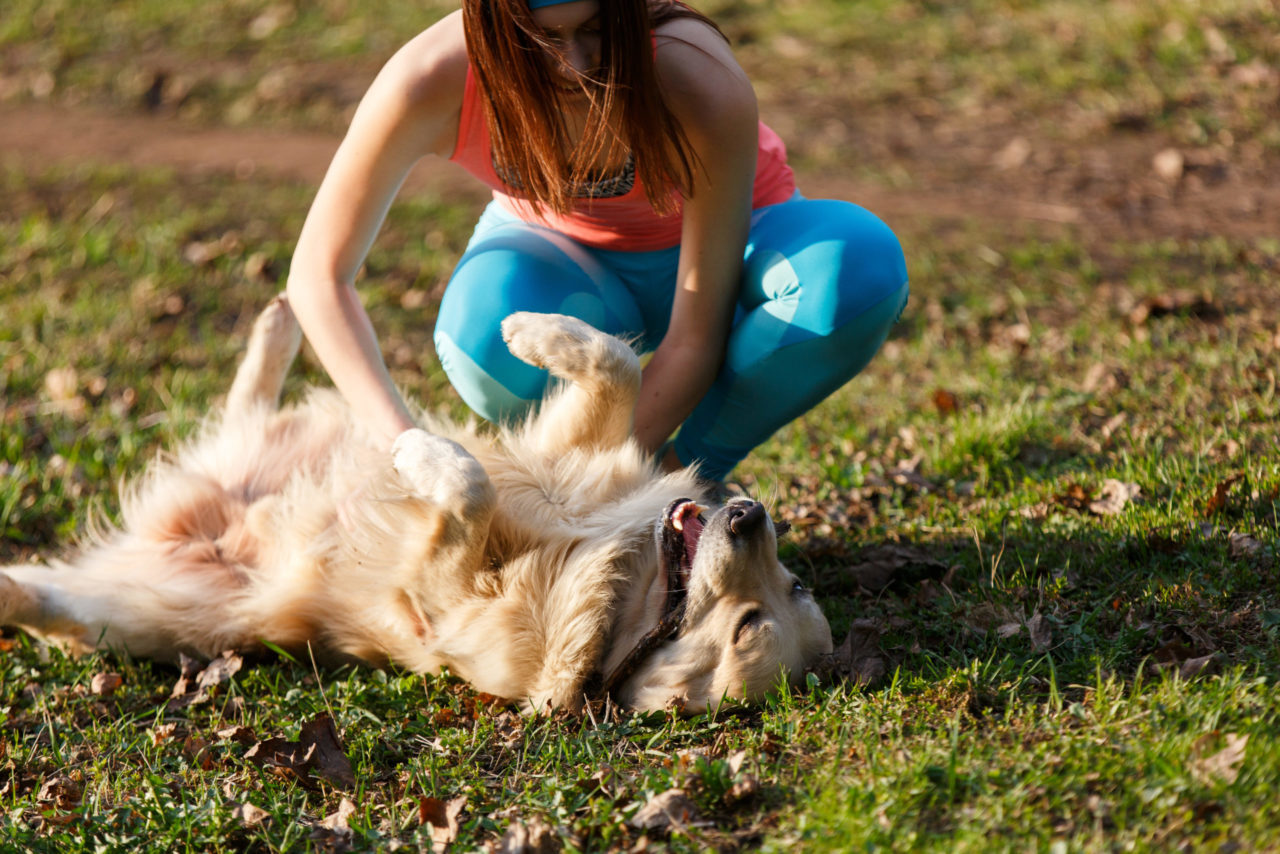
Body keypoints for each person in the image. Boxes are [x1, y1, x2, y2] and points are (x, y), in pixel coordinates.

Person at [286, 0, 908, 484]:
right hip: (569, 270)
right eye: (544, 40)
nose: (576, 64)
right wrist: (406, 445)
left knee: (856, 271)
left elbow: (697, 333)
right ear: (496, 27)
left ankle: (688, 480)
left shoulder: (695, 72)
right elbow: (319, 277)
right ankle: (588, 489)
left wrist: (622, 482)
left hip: (739, 255)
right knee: (482, 336)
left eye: (597, 31)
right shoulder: (430, 79)